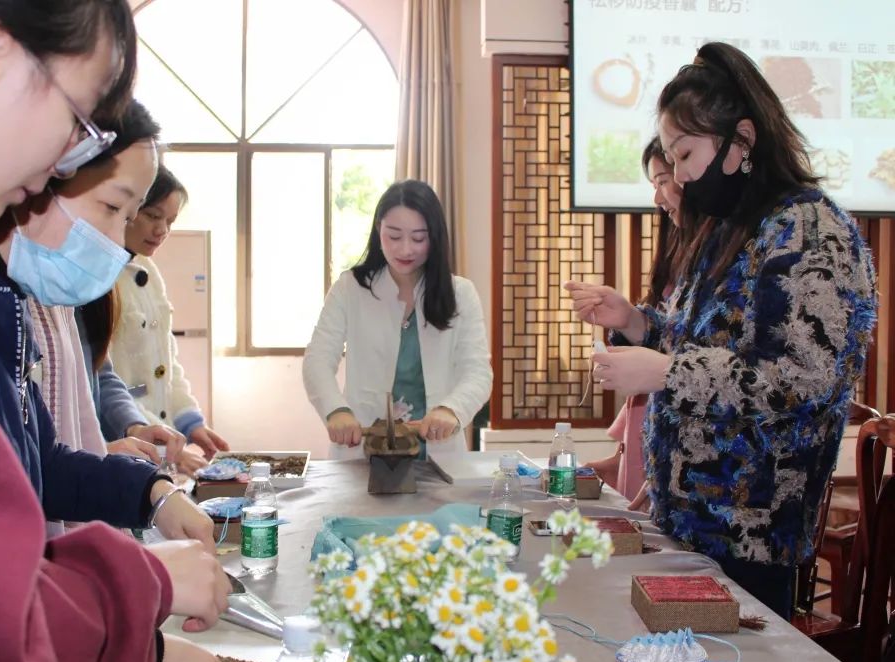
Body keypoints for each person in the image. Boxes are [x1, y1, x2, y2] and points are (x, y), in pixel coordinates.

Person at [0, 2, 225, 662]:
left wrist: (147, 495)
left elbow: (25, 467)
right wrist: (133, 590)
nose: (65, 159)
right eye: (77, 120)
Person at [564, 42, 877, 619]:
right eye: (671, 159)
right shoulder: (728, 230)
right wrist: (634, 322)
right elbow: (699, 341)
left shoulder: (810, 232)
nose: (680, 177)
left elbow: (805, 381)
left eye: (685, 155)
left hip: (750, 528)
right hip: (688, 518)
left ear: (743, 141)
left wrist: (668, 372)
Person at [26, 100, 189, 477]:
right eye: (114, 208)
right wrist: (101, 455)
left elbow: (97, 369)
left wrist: (131, 430)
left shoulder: (65, 293)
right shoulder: (13, 290)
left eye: (129, 215)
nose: (119, 236)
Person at [303, 179, 493, 459]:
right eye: (394, 236)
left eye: (418, 238)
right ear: (378, 229)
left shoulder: (460, 293)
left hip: (437, 452)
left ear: (435, 237)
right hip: (361, 450)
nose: (405, 250)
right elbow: (318, 359)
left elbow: (477, 372)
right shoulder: (350, 288)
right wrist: (336, 409)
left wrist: (451, 409)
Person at [584, 136, 691, 510]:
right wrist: (631, 320)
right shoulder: (680, 252)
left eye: (663, 181)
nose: (658, 198)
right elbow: (670, 341)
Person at [107, 164, 228, 465]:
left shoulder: (148, 270)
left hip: (157, 440)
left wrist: (190, 422)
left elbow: (166, 364)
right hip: (122, 442)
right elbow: (107, 385)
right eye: (153, 216)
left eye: (170, 221)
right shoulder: (99, 281)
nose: (162, 230)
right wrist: (162, 445)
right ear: (127, 209)